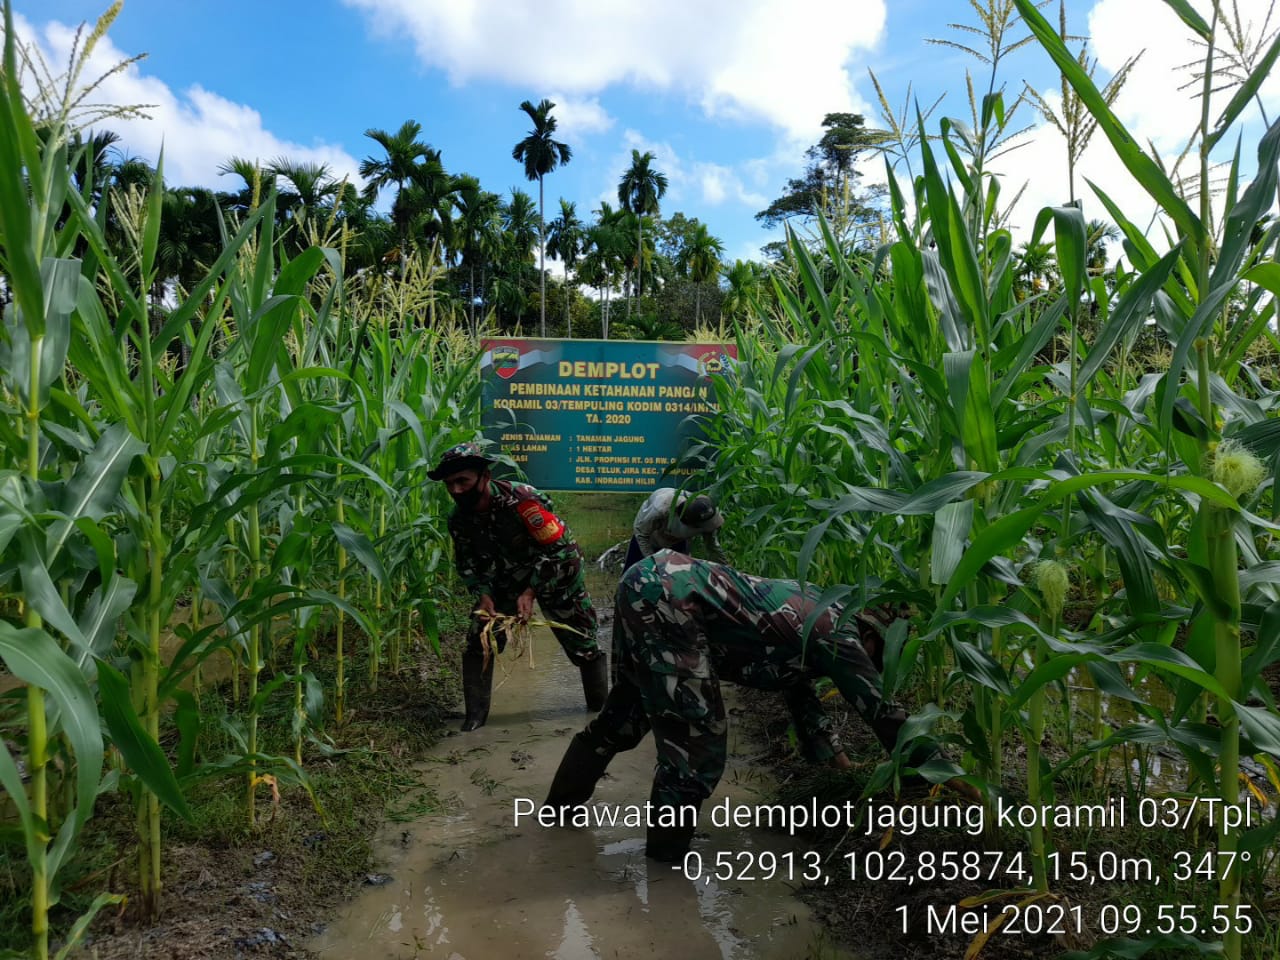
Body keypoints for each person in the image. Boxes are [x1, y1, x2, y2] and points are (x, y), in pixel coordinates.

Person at [543, 550, 959, 861]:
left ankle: (553, 818)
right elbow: (883, 713)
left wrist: (841, 765)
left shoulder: (823, 611)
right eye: (881, 656)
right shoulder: (840, 632)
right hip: (672, 596)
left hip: (653, 583)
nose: (874, 664)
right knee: (697, 747)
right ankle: (665, 872)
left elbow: (800, 692)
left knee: (623, 721)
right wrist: (949, 774)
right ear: (875, 635)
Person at [428, 442, 608, 731]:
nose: (456, 490)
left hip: (556, 571)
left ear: (484, 477)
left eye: (463, 481)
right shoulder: (458, 519)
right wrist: (483, 594)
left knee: (583, 643)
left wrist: (531, 591)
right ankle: (475, 716)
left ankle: (600, 710)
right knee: (479, 641)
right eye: (449, 484)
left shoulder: (524, 502)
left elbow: (561, 551)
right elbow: (468, 564)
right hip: (506, 578)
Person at [625, 488, 729, 570]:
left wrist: (728, 570)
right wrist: (653, 562)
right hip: (650, 535)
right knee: (634, 571)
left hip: (677, 541)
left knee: (679, 577)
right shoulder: (661, 509)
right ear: (689, 524)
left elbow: (713, 547)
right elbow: (642, 534)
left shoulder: (706, 510)